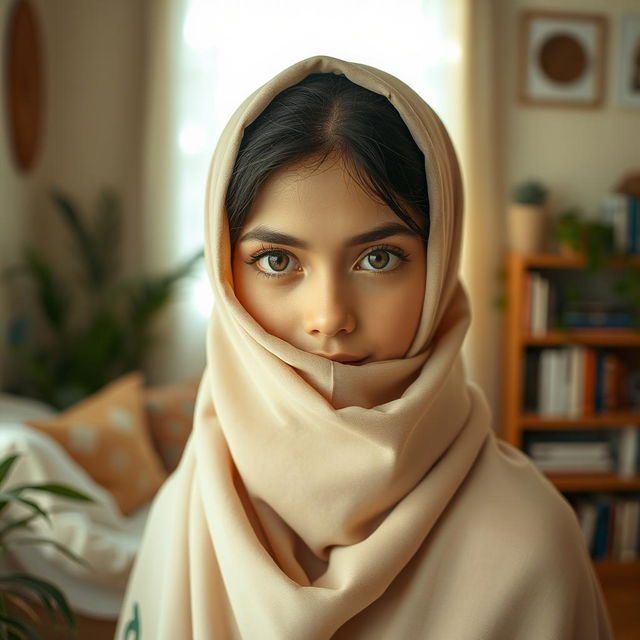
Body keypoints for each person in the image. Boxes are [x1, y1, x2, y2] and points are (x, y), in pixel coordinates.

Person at [116, 55, 613, 639]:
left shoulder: (531, 540)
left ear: (440, 261)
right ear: (228, 274)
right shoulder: (194, 493)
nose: (329, 318)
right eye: (277, 261)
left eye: (378, 258)